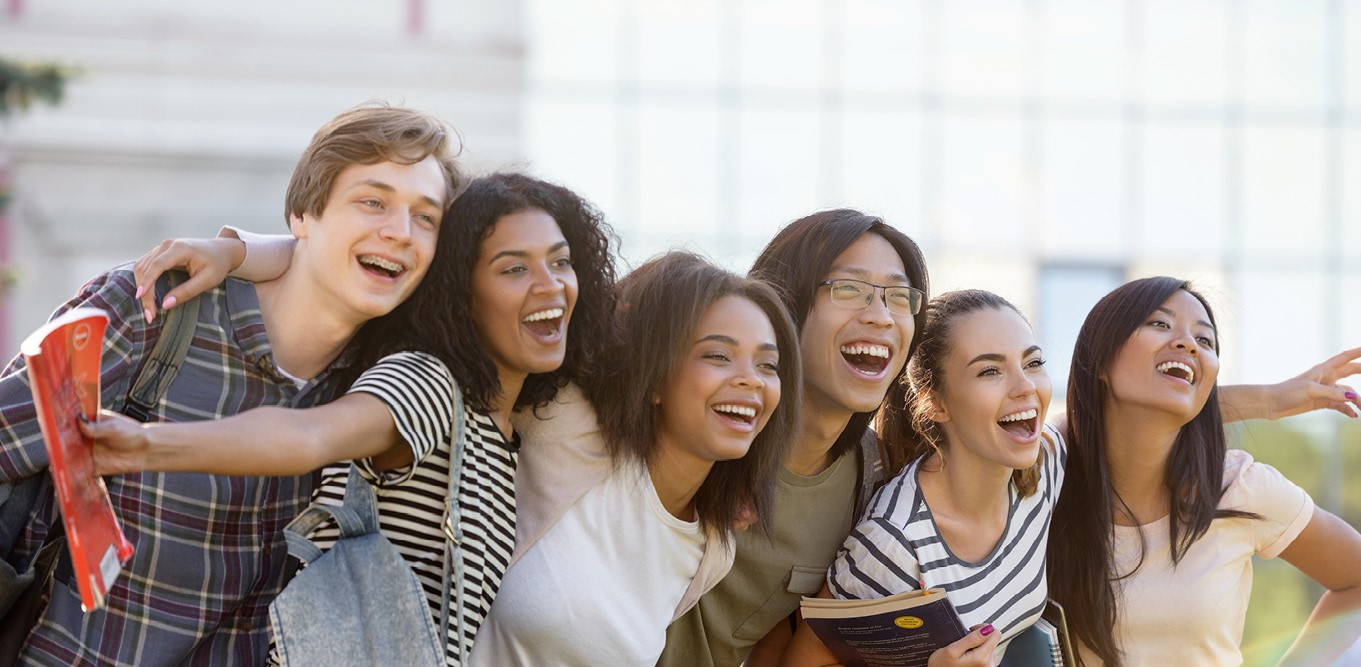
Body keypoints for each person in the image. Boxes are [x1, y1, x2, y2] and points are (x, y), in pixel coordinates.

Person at [84, 172, 618, 665]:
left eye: (561, 261)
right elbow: (312, 436)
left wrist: (238, 250)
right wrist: (148, 445)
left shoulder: (506, 434)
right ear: (460, 292)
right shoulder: (431, 383)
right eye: (514, 268)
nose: (550, 285)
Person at [0, 103, 461, 665]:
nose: (399, 232)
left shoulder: (379, 388)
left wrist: (239, 249)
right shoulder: (157, 309)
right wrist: (235, 249)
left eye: (426, 217)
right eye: (373, 201)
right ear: (303, 215)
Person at [467, 251, 802, 666]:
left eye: (768, 365)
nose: (750, 379)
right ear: (654, 376)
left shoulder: (713, 548)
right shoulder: (568, 425)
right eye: (718, 355)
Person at [659, 209, 930, 667]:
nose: (882, 316)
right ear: (783, 303)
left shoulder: (871, 477)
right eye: (849, 289)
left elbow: (782, 644)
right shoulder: (703, 422)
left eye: (900, 297)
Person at [1047, 276, 1361, 666]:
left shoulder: (1237, 486)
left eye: (1205, 340)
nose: (1187, 343)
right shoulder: (1046, 481)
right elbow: (1065, 429)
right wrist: (1270, 400)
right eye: (1160, 324)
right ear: (1100, 359)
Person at [784, 289, 1059, 666]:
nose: (1025, 386)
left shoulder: (1044, 469)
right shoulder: (895, 543)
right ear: (935, 402)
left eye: (1032, 363)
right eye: (990, 371)